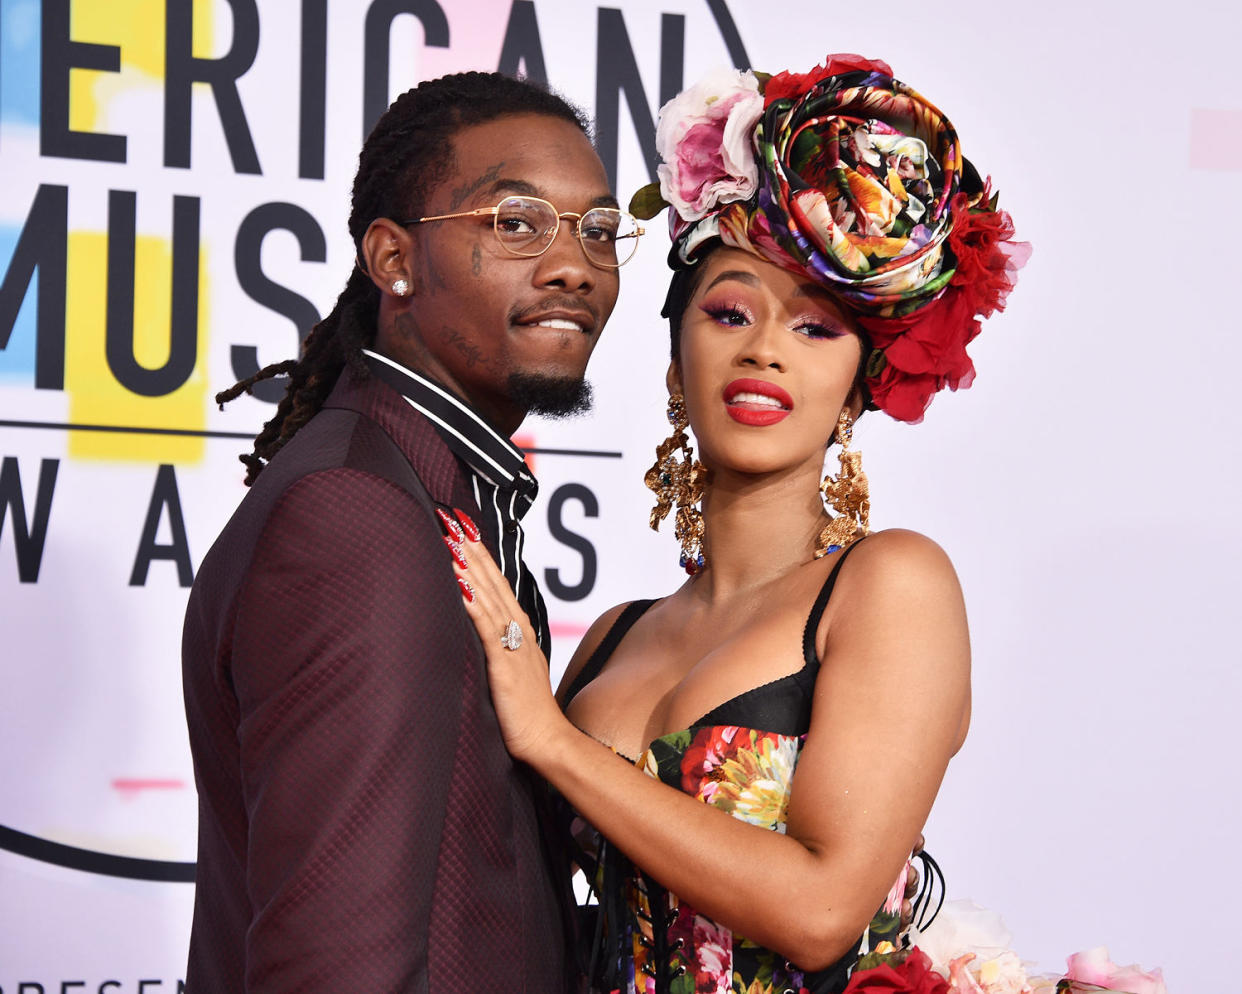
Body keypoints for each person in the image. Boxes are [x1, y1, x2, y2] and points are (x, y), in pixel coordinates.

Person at [445, 55, 1028, 993]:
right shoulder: (614, 637)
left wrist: (551, 740)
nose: (764, 349)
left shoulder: (892, 585)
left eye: (815, 329)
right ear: (678, 364)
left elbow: (820, 911)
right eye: (730, 313)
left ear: (856, 388)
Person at [181, 71, 640, 992]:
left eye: (597, 229)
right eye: (514, 222)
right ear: (393, 261)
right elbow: (334, 964)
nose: (573, 266)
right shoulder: (357, 516)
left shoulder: (430, 486)